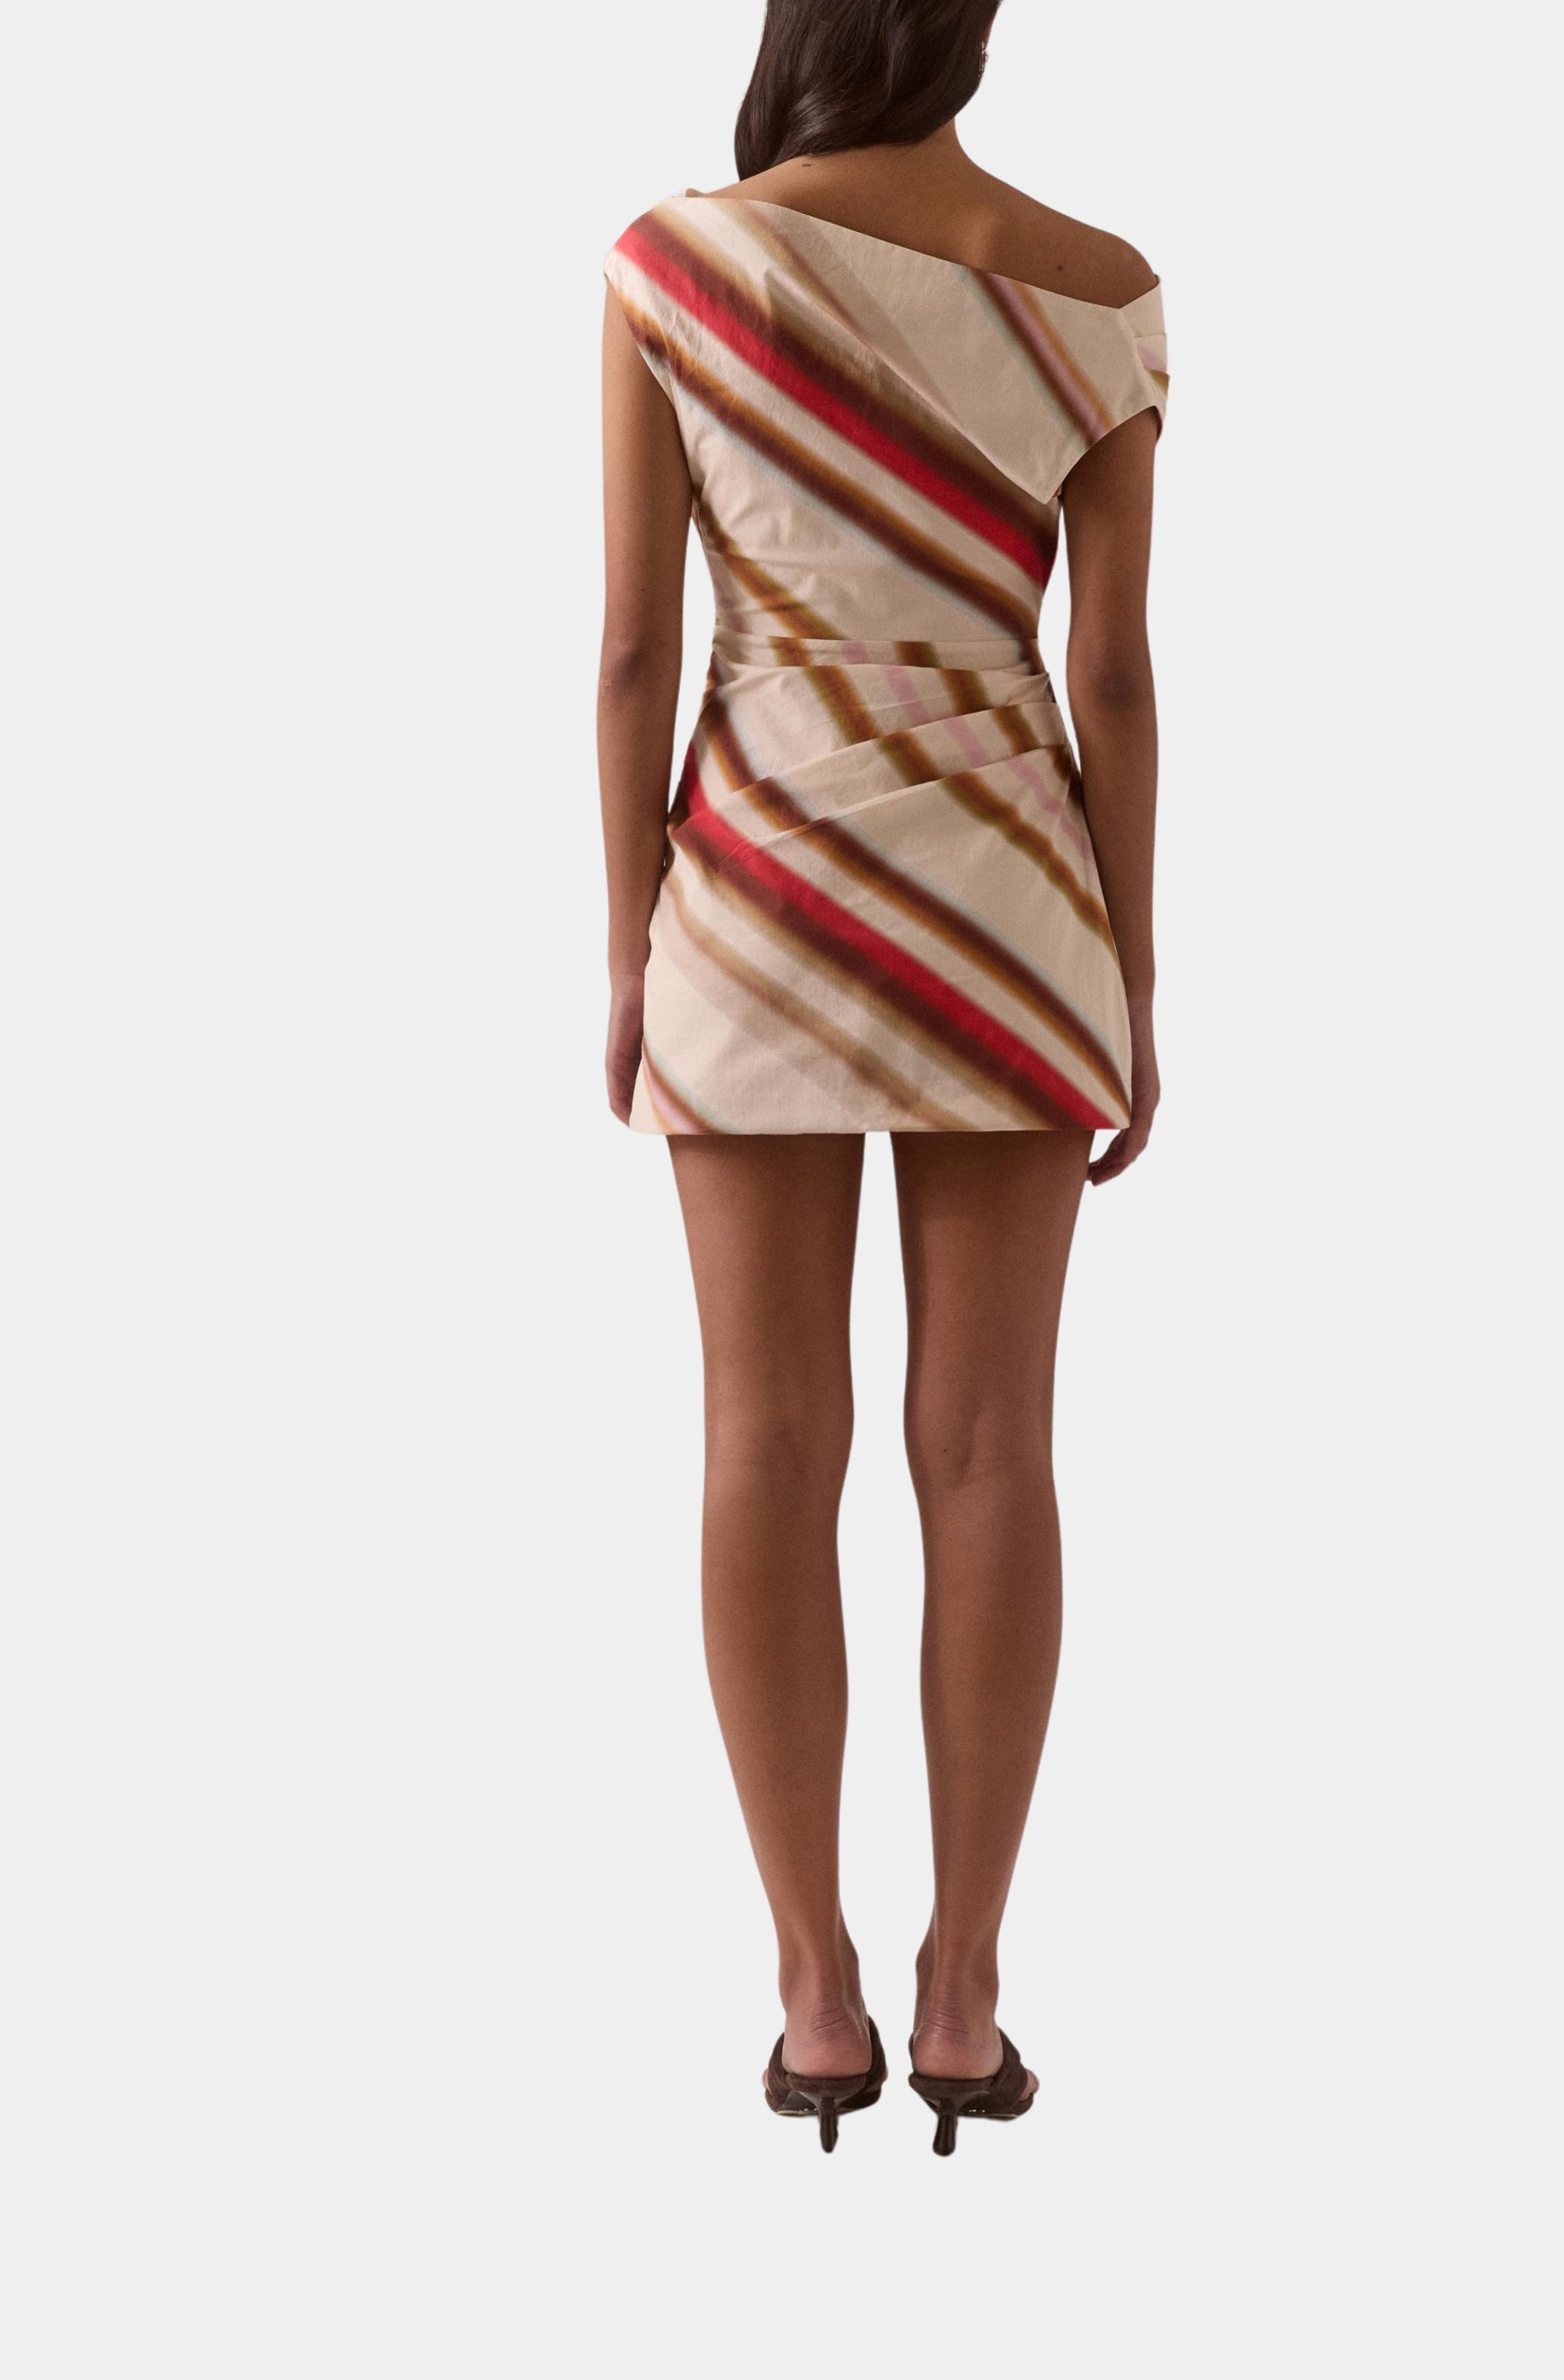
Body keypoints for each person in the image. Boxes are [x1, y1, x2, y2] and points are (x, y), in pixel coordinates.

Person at [596, 0, 1166, 2155]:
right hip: (1013, 898)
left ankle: (814, 1995)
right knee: (992, 1444)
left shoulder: (680, 262)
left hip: (753, 879)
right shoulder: (1100, 284)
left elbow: (633, 652)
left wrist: (626, 943)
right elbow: (1111, 673)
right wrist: (1135, 976)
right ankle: (967, 1991)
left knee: (765, 1434)